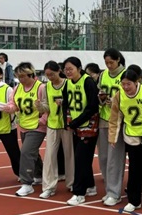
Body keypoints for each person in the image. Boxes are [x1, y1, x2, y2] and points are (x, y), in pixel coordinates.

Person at [108, 68, 142, 212]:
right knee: (134, 169)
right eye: (123, 84)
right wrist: (113, 137)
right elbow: (114, 118)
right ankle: (134, 200)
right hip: (131, 137)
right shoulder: (119, 96)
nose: (126, 87)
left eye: (129, 84)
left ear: (136, 82)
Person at [0, 63, 48, 197]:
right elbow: (14, 103)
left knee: (26, 152)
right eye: (18, 76)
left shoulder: (41, 88)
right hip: (24, 125)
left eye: (23, 76)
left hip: (37, 126)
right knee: (32, 152)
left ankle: (26, 183)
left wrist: (42, 120)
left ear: (31, 75)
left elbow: (48, 106)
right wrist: (7, 108)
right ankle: (39, 174)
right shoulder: (17, 88)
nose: (21, 79)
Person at [62, 57, 100, 206]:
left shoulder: (88, 82)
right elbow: (66, 103)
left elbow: (92, 107)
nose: (68, 72)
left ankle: (79, 193)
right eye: (66, 69)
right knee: (83, 159)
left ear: (79, 68)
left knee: (80, 159)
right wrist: (67, 122)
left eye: (70, 69)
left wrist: (76, 122)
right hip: (76, 126)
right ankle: (90, 185)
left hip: (88, 127)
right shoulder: (68, 83)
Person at [41, 61, 74, 198]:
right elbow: (46, 106)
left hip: (67, 125)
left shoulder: (68, 84)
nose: (50, 77)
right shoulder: (46, 87)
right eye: (47, 75)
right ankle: (49, 186)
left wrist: (64, 103)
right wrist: (40, 106)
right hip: (52, 124)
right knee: (49, 155)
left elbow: (75, 102)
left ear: (59, 71)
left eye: (52, 74)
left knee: (70, 154)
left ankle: (72, 183)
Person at [97, 48, 126, 206]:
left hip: (118, 121)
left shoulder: (125, 74)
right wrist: (102, 99)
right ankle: (109, 189)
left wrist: (116, 103)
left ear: (118, 60)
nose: (109, 65)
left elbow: (131, 96)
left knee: (115, 158)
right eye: (106, 62)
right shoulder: (103, 75)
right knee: (103, 157)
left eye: (111, 62)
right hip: (104, 119)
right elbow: (99, 92)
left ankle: (114, 193)